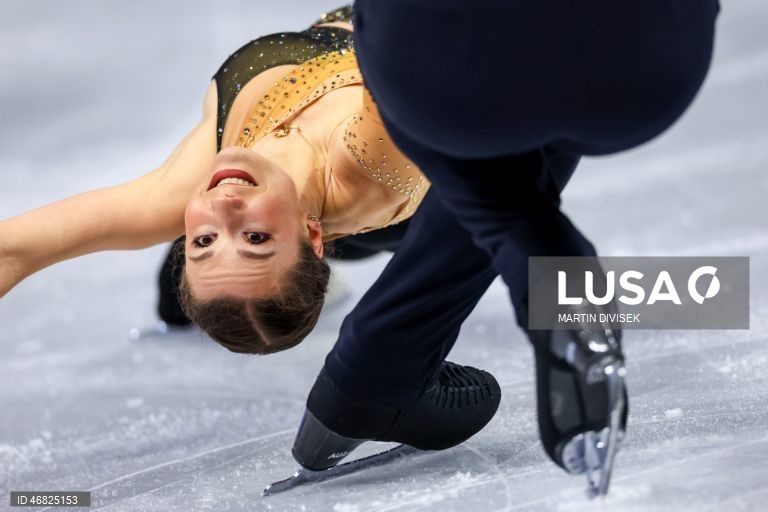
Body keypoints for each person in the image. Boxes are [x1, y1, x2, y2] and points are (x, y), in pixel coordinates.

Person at [288, 0, 721, 497]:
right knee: (528, 88)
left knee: (480, 149)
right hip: (648, 70)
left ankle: (375, 376)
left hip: (458, 79)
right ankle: (378, 365)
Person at [0, 6, 424, 356]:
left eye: (203, 242)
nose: (223, 205)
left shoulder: (184, 193)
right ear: (314, 235)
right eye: (256, 238)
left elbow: (11, 251)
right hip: (436, 219)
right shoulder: (368, 159)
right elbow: (413, 25)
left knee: (177, 306)